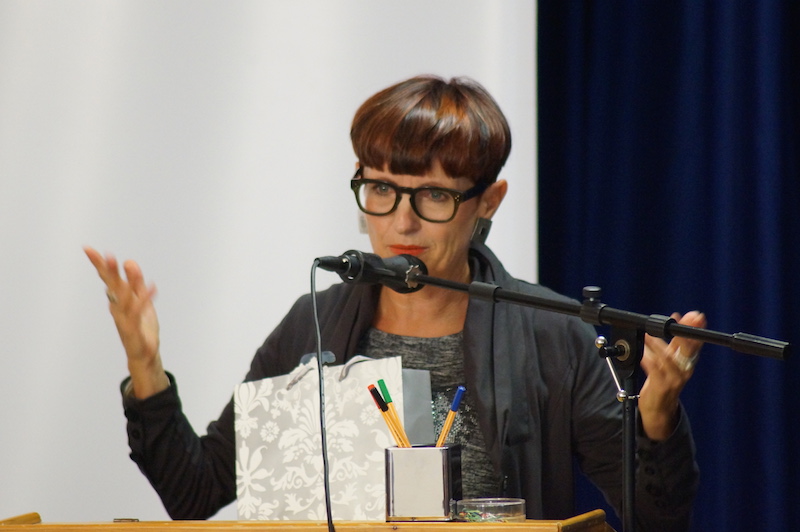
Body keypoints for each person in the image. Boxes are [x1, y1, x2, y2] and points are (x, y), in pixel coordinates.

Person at [85, 75, 705, 530]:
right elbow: (195, 494)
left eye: (433, 195)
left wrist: (656, 418)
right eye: (381, 188)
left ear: (488, 201)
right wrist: (146, 368)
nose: (401, 221)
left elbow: (658, 518)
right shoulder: (313, 323)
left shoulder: (551, 333)